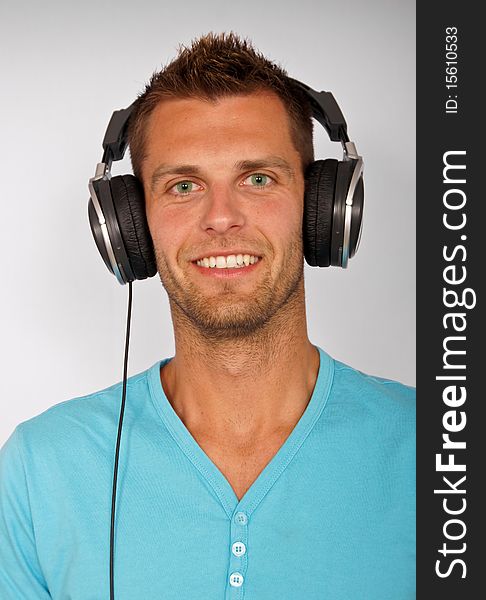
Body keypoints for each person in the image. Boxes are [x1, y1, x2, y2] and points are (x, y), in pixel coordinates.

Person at [0, 32, 415, 599]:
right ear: (131, 226)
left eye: (258, 179)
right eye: (184, 185)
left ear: (322, 208)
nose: (221, 217)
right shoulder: (39, 470)